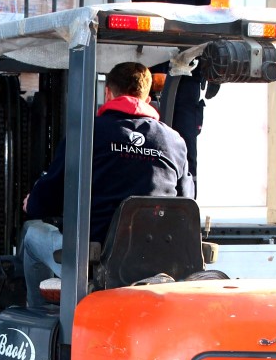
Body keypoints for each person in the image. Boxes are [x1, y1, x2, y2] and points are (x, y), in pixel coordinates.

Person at [22, 61, 194, 307]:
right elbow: (187, 202)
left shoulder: (87, 133)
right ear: (147, 96)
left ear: (107, 93)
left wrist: (33, 202)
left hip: (96, 260)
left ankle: (39, 319)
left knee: (31, 235)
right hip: (159, 261)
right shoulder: (174, 141)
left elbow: (45, 200)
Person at [76, 0, 217, 183]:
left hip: (185, 74)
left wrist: (212, 75)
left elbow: (215, 24)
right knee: (141, 143)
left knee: (184, 143)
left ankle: (186, 208)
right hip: (146, 74)